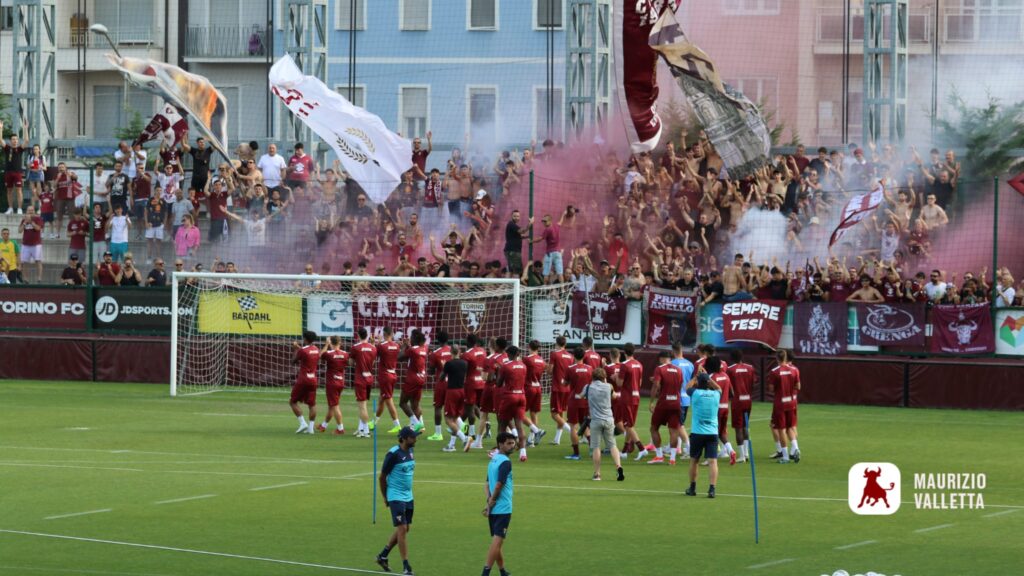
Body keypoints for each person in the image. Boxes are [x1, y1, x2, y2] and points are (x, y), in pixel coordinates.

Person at [377, 426, 420, 576]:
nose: (415, 439)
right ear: (404, 438)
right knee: (402, 529)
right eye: (413, 437)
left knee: (405, 528)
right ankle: (406, 567)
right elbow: (382, 477)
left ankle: (383, 556)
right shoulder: (393, 454)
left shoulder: (411, 452)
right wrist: (385, 497)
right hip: (395, 496)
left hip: (408, 496)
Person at [579, 367, 625, 482]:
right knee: (612, 445)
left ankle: (597, 473)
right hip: (608, 419)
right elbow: (614, 396)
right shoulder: (609, 386)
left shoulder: (588, 387)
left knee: (596, 447)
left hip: (595, 420)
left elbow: (580, 396)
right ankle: (618, 466)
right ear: (604, 377)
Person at [481, 432, 517, 576]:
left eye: (513, 443)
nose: (512, 446)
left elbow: (486, 483)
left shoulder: (493, 460)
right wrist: (492, 500)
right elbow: (498, 484)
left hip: (494, 508)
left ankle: (502, 571)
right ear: (500, 445)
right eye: (508, 443)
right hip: (503, 508)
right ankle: (485, 573)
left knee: (497, 542)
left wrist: (488, 502)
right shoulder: (505, 462)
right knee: (497, 542)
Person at [686, 372, 722, 498]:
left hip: (697, 432)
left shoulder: (695, 393)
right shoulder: (716, 394)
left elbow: (687, 388)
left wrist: (695, 378)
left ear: (698, 383)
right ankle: (712, 489)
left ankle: (692, 487)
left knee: (694, 460)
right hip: (712, 432)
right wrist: (709, 379)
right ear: (708, 383)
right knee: (713, 462)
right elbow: (719, 388)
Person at [647, 350, 684, 465]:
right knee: (673, 430)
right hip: (676, 403)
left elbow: (656, 385)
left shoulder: (660, 369)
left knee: (654, 428)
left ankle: (659, 456)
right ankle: (672, 458)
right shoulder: (678, 370)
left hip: (663, 403)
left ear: (661, 359)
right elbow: (680, 385)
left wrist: (651, 401)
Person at [495, 345, 531, 462]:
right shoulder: (524, 366)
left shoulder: (505, 366)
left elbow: (499, 384)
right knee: (519, 426)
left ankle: (499, 451)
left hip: (510, 396)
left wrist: (497, 371)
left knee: (502, 425)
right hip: (521, 395)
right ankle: (523, 453)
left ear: (509, 354)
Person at [767, 349, 801, 463]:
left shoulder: (774, 371)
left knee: (781, 429)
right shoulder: (794, 370)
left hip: (780, 404)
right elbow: (798, 386)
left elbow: (771, 389)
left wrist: (780, 387)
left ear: (777, 358)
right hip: (791, 402)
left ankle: (785, 456)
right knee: (790, 427)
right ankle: (796, 448)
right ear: (785, 357)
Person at [563, 347, 594, 461]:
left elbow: (565, 383)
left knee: (573, 427)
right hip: (586, 401)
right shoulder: (590, 368)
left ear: (574, 356)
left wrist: (564, 381)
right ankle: (593, 448)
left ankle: (576, 453)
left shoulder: (570, 368)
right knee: (584, 424)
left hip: (574, 400)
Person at [440, 346, 473, 452]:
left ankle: (465, 438)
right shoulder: (464, 363)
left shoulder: (449, 364)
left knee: (448, 420)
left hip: (452, 392)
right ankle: (452, 444)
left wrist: (443, 366)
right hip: (461, 391)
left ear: (450, 352)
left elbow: (441, 377)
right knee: (456, 418)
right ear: (459, 352)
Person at [726, 349, 756, 463]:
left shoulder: (730, 370)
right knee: (745, 426)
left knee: (738, 428)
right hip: (748, 400)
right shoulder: (750, 368)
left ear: (732, 358)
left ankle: (742, 456)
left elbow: (729, 387)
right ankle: (747, 453)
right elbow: (753, 384)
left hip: (737, 402)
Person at [617, 343, 645, 459]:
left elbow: (619, 383)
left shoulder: (624, 365)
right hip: (636, 396)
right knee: (630, 424)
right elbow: (640, 383)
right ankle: (624, 451)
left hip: (627, 397)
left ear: (624, 352)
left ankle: (641, 448)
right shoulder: (639, 364)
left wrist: (615, 377)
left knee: (628, 425)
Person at [317, 336, 350, 434]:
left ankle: (340, 428)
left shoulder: (329, 354)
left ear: (331, 343)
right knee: (332, 405)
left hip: (332, 382)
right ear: (340, 343)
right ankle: (323, 426)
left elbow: (319, 355)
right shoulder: (345, 354)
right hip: (341, 381)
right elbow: (349, 363)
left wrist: (326, 344)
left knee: (335, 406)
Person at [290, 330, 320, 434]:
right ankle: (311, 429)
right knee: (312, 404)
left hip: (303, 380)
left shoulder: (302, 350)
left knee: (292, 402)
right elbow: (307, 353)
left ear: (305, 339)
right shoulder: (316, 349)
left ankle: (303, 423)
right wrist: (299, 348)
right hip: (313, 380)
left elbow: (293, 361)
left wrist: (295, 349)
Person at [399, 329, 430, 432]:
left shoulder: (412, 350)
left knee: (402, 403)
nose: (410, 339)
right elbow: (414, 352)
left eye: (411, 337)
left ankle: (417, 424)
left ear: (414, 339)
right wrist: (409, 346)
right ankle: (421, 424)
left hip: (412, 379)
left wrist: (404, 346)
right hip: (422, 378)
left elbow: (400, 357)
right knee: (415, 404)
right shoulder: (424, 348)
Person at [350, 328, 378, 437]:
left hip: (360, 379)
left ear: (358, 335)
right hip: (369, 378)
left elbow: (351, 363)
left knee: (362, 406)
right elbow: (373, 362)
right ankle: (360, 428)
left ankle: (365, 431)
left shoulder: (355, 347)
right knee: (364, 404)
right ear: (367, 336)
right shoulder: (373, 348)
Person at [375, 327, 404, 434]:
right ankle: (374, 421)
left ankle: (397, 425)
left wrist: (375, 343)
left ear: (384, 334)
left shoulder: (381, 346)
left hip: (385, 375)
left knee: (388, 400)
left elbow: (373, 354)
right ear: (392, 334)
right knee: (382, 398)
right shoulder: (396, 346)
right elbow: (400, 355)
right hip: (393, 374)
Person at [427, 331, 454, 442]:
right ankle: (468, 432)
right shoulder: (453, 350)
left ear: (437, 340)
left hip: (442, 383)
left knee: (438, 407)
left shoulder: (435, 353)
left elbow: (432, 371)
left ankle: (438, 434)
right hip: (454, 383)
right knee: (457, 411)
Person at [547, 336, 574, 445]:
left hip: (557, 387)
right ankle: (557, 439)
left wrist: (545, 368)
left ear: (556, 343)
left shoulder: (554, 354)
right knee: (561, 412)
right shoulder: (570, 356)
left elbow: (549, 371)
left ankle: (573, 431)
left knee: (554, 414)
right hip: (567, 388)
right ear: (565, 344)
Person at [670, 342, 694, 458]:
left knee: (679, 424)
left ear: (673, 351)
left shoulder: (672, 364)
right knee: (678, 423)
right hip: (687, 398)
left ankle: (688, 448)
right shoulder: (690, 364)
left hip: (677, 398)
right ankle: (678, 447)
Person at [521, 340, 547, 446]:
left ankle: (537, 431)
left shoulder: (527, 359)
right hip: (538, 388)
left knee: (520, 413)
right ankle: (531, 440)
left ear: (529, 347)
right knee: (534, 413)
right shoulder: (542, 360)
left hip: (528, 387)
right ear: (539, 348)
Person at [531, 214, 562, 283]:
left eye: (545, 221)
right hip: (558, 252)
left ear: (550, 221)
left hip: (550, 253)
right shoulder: (556, 226)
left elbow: (540, 238)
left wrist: (531, 241)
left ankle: (544, 289)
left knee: (546, 272)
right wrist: (564, 214)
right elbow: (560, 221)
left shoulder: (547, 229)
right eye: (543, 221)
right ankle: (562, 289)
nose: (544, 223)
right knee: (560, 272)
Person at [18, 207, 44, 282]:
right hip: (25, 244)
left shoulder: (38, 219)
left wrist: (31, 221)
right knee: (24, 262)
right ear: (26, 211)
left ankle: (39, 278)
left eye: (32, 210)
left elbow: (38, 228)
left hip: (36, 244)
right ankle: (26, 279)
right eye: (29, 210)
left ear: (34, 211)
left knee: (38, 261)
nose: (30, 211)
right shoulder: (24, 220)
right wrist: (25, 222)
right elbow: (19, 231)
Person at [503, 210, 532, 277]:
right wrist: (530, 224)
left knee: (510, 270)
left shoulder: (512, 225)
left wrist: (528, 236)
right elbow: (522, 231)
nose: (516, 217)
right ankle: (516, 286)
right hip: (513, 251)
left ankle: (509, 286)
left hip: (510, 251)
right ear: (511, 216)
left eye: (518, 216)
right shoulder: (511, 224)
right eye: (515, 216)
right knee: (516, 271)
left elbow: (519, 236)